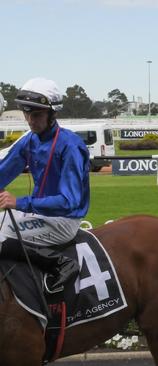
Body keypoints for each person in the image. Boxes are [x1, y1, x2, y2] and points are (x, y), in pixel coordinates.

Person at [0, 77, 90, 290]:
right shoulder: (29, 140)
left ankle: (61, 263)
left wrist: (19, 203)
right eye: (27, 114)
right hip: (38, 215)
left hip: (63, 220)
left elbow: (69, 202)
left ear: (52, 114)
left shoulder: (71, 146)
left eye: (37, 115)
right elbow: (3, 173)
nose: (30, 120)